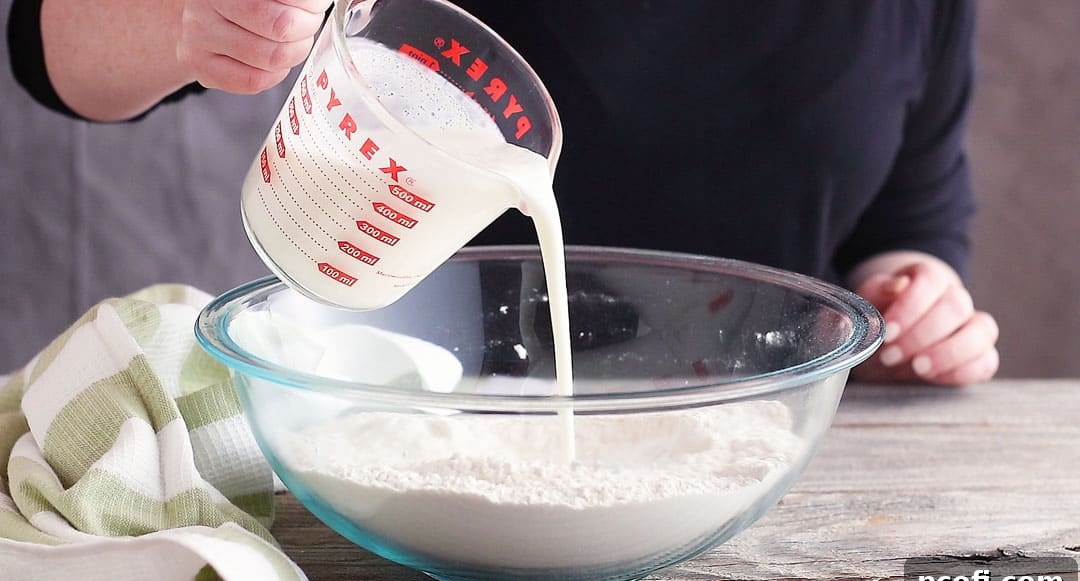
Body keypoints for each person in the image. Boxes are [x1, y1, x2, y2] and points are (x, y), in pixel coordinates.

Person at [6, 0, 998, 384]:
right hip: (409, 414)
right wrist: (189, 21)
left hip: (765, 442)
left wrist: (921, 299)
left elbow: (912, 216)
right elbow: (53, 52)